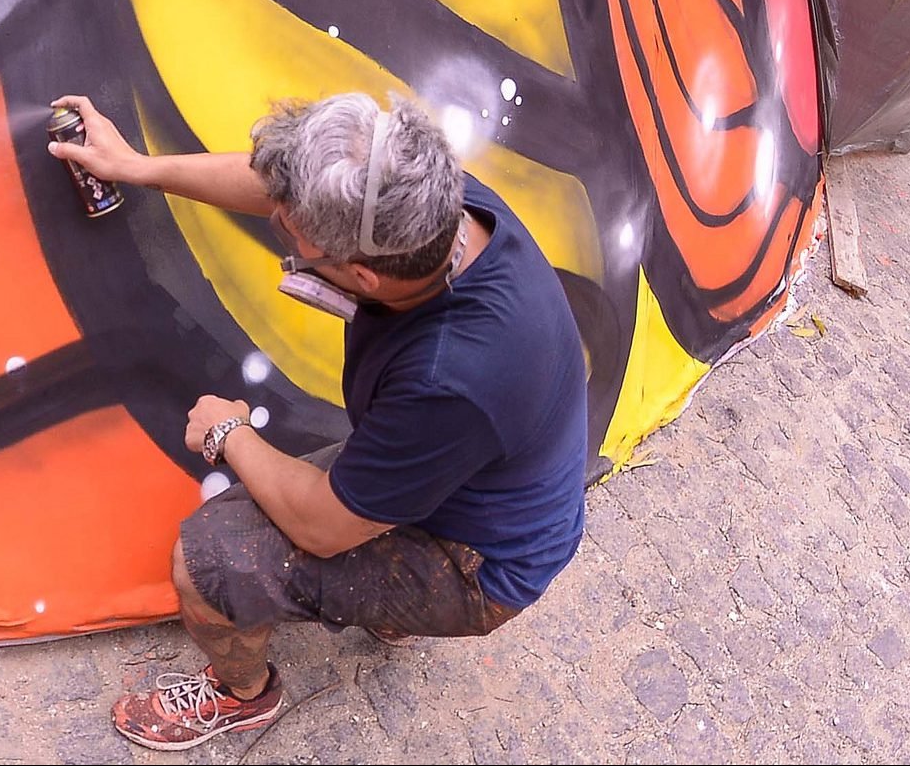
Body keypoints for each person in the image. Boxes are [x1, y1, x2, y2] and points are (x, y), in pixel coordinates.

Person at [47, 91, 588, 751]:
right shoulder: (423, 199)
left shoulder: (448, 379)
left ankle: (241, 692)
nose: (280, 227)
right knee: (374, 475)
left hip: (479, 562)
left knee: (208, 560)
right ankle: (389, 594)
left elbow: (324, 527)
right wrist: (139, 167)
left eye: (292, 236)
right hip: (466, 475)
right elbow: (284, 189)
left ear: (360, 271)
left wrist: (229, 433)